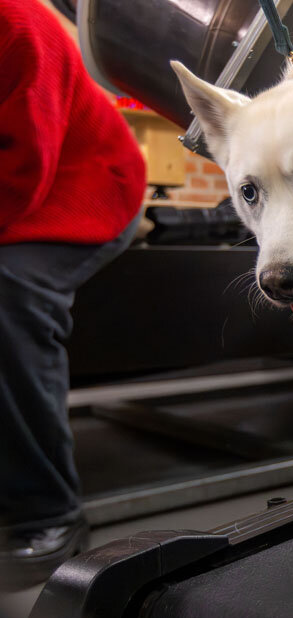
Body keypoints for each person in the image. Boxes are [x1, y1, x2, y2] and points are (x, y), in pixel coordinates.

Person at [0, 0, 147, 589]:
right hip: (27, 178)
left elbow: (24, 170)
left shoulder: (18, 24)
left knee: (9, 291)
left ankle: (47, 511)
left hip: (84, 179)